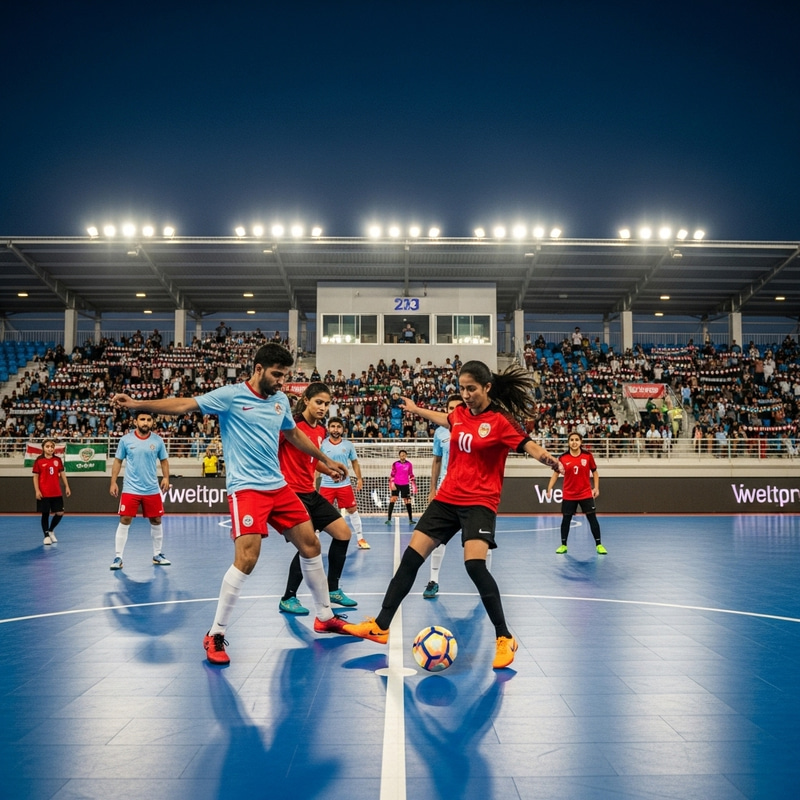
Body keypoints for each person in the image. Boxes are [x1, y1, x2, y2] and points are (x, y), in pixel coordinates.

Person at [111, 343, 352, 666]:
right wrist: (139, 403)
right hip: (246, 489)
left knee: (311, 546)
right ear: (258, 369)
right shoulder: (231, 396)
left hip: (278, 487)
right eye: (277, 375)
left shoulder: (280, 401)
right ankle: (216, 633)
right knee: (248, 558)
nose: (281, 382)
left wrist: (324, 459)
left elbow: (294, 436)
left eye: (285, 376)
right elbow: (184, 405)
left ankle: (324, 616)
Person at [344, 361, 564, 670]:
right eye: (461, 388)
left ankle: (504, 637)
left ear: (487, 388)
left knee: (474, 566)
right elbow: (446, 419)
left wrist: (549, 460)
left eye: (471, 389)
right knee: (410, 560)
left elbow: (528, 445)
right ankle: (380, 625)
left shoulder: (501, 421)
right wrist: (415, 409)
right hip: (447, 499)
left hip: (480, 502)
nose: (466, 394)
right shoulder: (459, 414)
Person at [277, 384, 358, 615]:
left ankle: (333, 590)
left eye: (326, 403)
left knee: (343, 533)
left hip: (310, 492)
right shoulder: (290, 426)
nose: (323, 407)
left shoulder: (320, 430)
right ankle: (288, 598)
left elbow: (311, 459)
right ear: (306, 400)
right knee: (308, 544)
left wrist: (327, 470)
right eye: (318, 402)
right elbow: (273, 452)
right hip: (291, 494)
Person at [423, 394, 495, 599]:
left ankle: (484, 584)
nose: (453, 411)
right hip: (447, 492)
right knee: (438, 540)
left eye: (457, 407)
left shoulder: (478, 428)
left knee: (482, 541)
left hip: (474, 494)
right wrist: (432, 488)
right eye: (449, 408)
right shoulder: (440, 433)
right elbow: (436, 461)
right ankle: (433, 581)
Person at [109, 412, 171, 570]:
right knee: (125, 520)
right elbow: (117, 461)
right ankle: (118, 557)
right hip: (131, 488)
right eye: (142, 419)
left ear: (152, 422)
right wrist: (113, 482)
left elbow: (164, 461)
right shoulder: (125, 440)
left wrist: (166, 478)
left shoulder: (157, 440)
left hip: (151, 489)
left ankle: (157, 554)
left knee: (156, 520)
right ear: (135, 421)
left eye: (149, 420)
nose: (145, 422)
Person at [546, 431, 607, 555]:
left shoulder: (588, 456)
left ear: (581, 442)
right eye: (571, 440)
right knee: (566, 519)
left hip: (585, 493)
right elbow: (556, 474)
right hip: (569, 494)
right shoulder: (562, 458)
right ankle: (563, 545)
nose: (574, 442)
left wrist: (596, 488)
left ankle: (599, 545)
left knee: (592, 519)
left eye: (576, 440)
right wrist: (549, 488)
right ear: (568, 442)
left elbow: (595, 472)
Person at [319, 417, 368, 549]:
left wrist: (359, 478)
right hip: (326, 485)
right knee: (319, 512)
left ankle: (360, 538)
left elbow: (355, 462)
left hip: (344, 485)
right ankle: (314, 538)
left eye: (338, 427)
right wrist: (313, 483)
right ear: (328, 428)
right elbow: (316, 464)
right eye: (333, 426)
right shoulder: (322, 444)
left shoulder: (348, 445)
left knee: (352, 510)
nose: (335, 429)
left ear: (343, 429)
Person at [32, 438, 71, 545]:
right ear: (43, 448)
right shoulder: (39, 461)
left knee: (60, 513)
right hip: (44, 492)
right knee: (45, 514)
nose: (50, 448)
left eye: (52, 447)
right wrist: (37, 491)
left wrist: (67, 486)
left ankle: (51, 530)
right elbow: (35, 477)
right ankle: (46, 536)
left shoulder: (57, 460)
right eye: (48, 446)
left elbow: (62, 474)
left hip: (56, 492)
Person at [385, 449, 416, 525]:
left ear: (406, 455)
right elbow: (392, 475)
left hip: (405, 485)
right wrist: (392, 484)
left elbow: (411, 475)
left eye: (404, 455)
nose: (402, 456)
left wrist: (413, 485)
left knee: (408, 503)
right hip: (396, 485)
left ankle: (410, 519)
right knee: (392, 501)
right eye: (401, 455)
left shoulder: (409, 464)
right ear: (399, 456)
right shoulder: (395, 464)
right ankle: (389, 519)